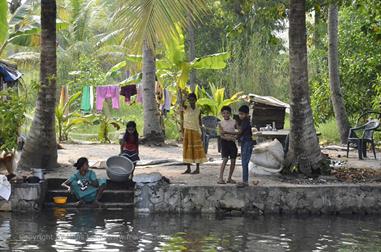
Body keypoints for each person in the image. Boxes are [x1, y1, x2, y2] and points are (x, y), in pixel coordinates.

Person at [182, 93, 207, 174]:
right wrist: (185, 98)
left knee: (196, 150)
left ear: (196, 100)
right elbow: (181, 104)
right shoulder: (186, 108)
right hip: (187, 130)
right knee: (187, 149)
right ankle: (188, 168)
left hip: (196, 131)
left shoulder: (198, 110)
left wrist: (202, 130)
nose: (191, 101)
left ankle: (197, 168)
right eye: (189, 100)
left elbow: (200, 121)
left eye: (193, 100)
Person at [237, 105, 257, 187]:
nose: (240, 115)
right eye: (239, 114)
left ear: (246, 114)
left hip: (247, 143)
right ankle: (244, 180)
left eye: (242, 114)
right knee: (244, 162)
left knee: (245, 162)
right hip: (245, 142)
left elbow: (240, 132)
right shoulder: (244, 121)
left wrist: (230, 133)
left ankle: (245, 181)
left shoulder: (246, 122)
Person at [217, 106, 238, 184]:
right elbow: (221, 135)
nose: (226, 114)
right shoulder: (220, 123)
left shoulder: (234, 122)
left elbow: (238, 131)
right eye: (224, 113)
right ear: (222, 114)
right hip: (224, 142)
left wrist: (235, 137)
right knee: (225, 159)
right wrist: (228, 138)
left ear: (230, 113)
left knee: (233, 160)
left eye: (227, 113)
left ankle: (229, 178)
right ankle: (220, 178)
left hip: (232, 143)